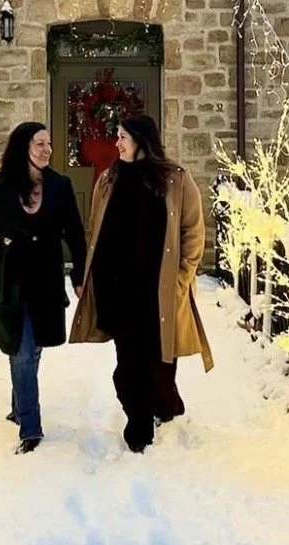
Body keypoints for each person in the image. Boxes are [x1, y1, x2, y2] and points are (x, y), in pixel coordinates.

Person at [69, 114, 213, 452]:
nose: (116, 143)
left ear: (142, 141)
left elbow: (193, 233)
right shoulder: (108, 179)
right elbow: (96, 229)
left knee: (161, 363)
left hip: (159, 293)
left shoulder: (176, 180)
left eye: (122, 137)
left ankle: (165, 408)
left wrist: (180, 280)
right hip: (117, 291)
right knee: (127, 365)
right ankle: (138, 424)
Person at [0, 121, 86, 454]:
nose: (47, 149)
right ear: (23, 147)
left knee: (32, 348)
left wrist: (79, 276)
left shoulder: (60, 186)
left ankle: (19, 406)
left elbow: (75, 235)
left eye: (49, 143)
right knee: (20, 347)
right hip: (8, 278)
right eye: (39, 144)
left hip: (46, 278)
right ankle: (30, 429)